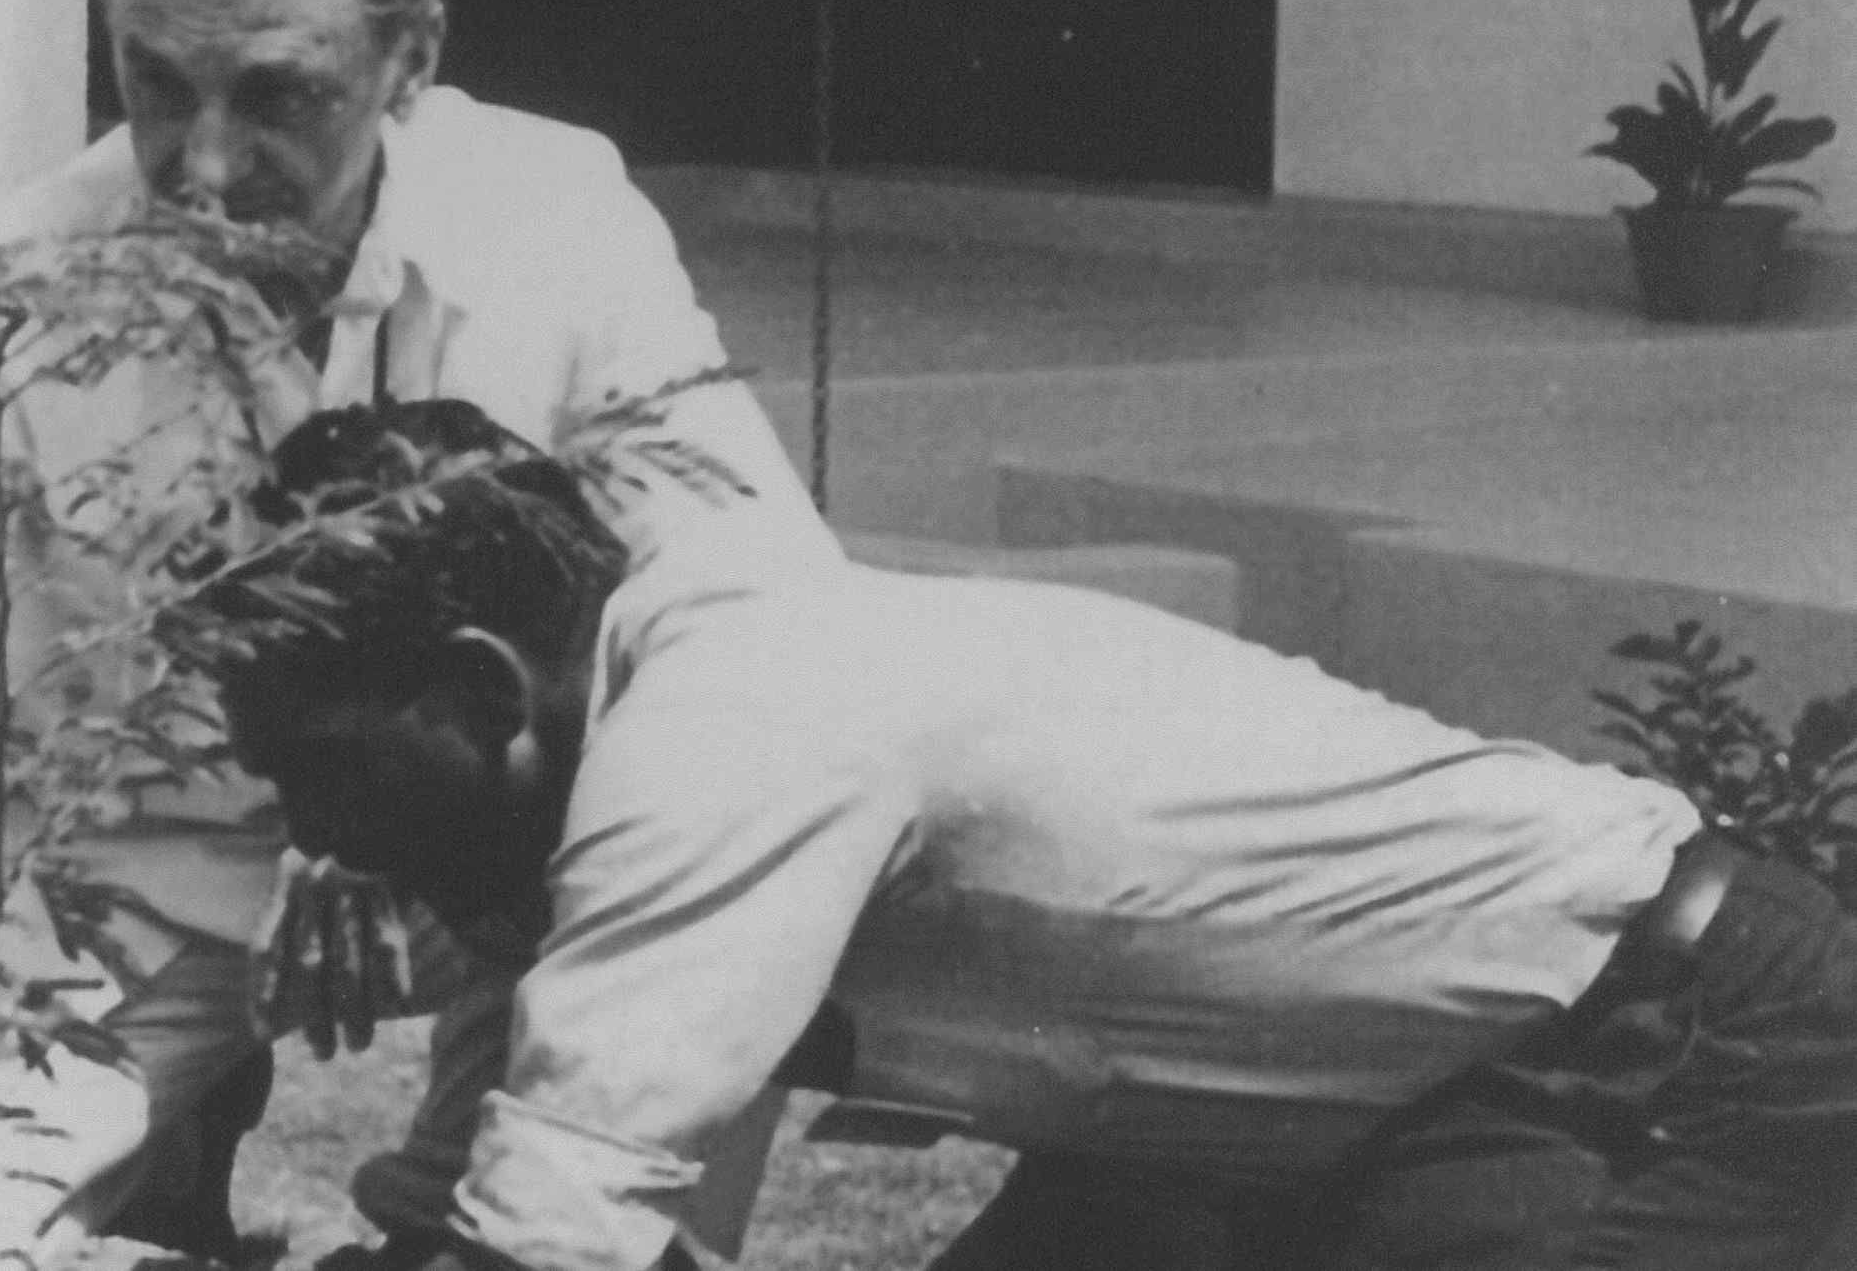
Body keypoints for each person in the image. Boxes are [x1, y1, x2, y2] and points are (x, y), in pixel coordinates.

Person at [0, 0, 837, 1270]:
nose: (202, 166)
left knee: (723, 936)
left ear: (413, 54)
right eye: (154, 82)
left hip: (507, 881)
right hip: (140, 889)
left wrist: (424, 792)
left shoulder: (558, 220)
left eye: (278, 96)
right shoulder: (19, 287)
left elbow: (762, 611)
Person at [206, 413, 1857, 1271]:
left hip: (1667, 1047)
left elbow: (549, 1231)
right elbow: (497, 1162)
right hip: (1363, 1106)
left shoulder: (727, 725)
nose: (309, 827)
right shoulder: (627, 722)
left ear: (485, 687)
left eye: (320, 767)